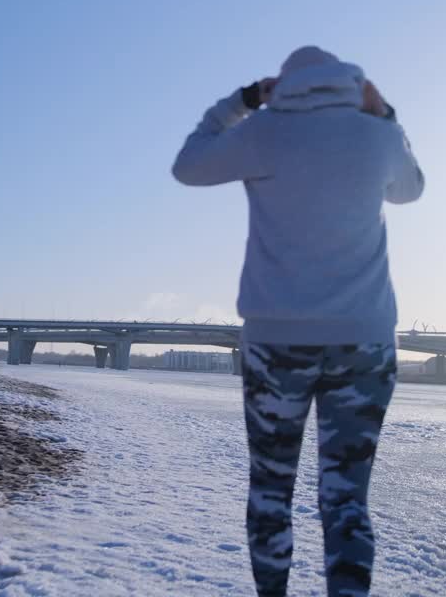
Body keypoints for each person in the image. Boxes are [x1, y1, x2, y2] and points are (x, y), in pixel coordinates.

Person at [171, 46, 423, 597]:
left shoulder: (263, 131)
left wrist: (239, 103)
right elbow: (412, 188)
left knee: (270, 490)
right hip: (364, 342)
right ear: (351, 85)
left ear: (279, 87)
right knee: (347, 498)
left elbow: (187, 167)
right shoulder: (375, 136)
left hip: (276, 343)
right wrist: (386, 116)